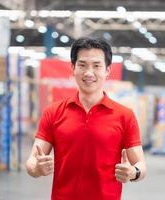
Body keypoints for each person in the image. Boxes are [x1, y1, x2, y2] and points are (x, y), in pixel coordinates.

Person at [26, 37, 147, 200]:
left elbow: (141, 166)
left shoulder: (124, 116)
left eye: (97, 66)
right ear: (73, 68)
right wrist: (37, 168)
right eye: (82, 65)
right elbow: (32, 162)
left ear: (108, 71)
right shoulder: (53, 112)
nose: (89, 73)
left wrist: (134, 172)